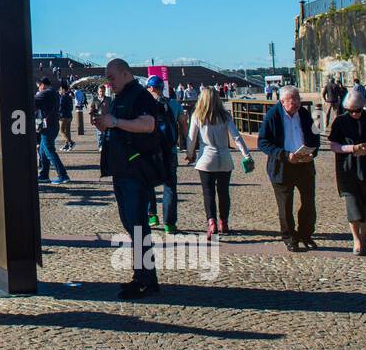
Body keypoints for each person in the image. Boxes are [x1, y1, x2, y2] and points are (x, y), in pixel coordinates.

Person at [93, 59, 166, 298]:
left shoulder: (140, 96)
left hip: (135, 170)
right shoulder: (120, 97)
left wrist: (114, 122)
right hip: (121, 170)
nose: (109, 82)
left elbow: (148, 124)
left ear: (125, 74)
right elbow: (117, 125)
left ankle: (146, 279)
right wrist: (105, 122)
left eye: (111, 77)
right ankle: (142, 275)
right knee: (131, 224)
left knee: (137, 225)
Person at [258, 84, 321, 252]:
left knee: (309, 202)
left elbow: (316, 137)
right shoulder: (272, 116)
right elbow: (262, 142)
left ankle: (305, 234)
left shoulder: (305, 114)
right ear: (282, 101)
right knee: (285, 205)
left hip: (304, 164)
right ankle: (289, 237)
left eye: (298, 99)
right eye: (292, 100)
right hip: (282, 166)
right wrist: (285, 155)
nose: (296, 103)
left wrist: (312, 153)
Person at [328, 89, 366, 256]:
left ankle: (364, 239)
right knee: (353, 205)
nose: (354, 113)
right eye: (351, 110)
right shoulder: (340, 121)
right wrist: (352, 148)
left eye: (358, 110)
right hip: (348, 168)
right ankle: (356, 241)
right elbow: (333, 145)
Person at [185, 87, 251, 237]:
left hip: (206, 158)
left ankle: (211, 221)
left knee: (208, 193)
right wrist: (246, 155)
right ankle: (224, 221)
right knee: (223, 192)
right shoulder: (225, 116)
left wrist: (190, 154)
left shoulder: (197, 116)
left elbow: (191, 138)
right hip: (224, 158)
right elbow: (236, 137)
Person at [143, 75, 181, 234]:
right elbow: (183, 123)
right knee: (170, 187)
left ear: (151, 88)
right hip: (170, 151)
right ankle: (169, 224)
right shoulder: (173, 104)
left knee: (147, 183)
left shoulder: (144, 105)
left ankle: (151, 215)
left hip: (150, 150)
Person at [34, 77, 70, 184]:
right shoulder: (53, 92)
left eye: (39, 87)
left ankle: (62, 175)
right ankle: (44, 175)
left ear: (42, 85)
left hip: (48, 127)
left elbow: (32, 101)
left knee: (49, 151)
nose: (39, 89)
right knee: (42, 150)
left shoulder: (46, 93)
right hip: (52, 125)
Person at [57, 80, 76, 151]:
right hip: (70, 116)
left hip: (64, 117)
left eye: (60, 89)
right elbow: (71, 108)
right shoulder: (69, 97)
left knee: (61, 131)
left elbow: (60, 108)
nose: (59, 91)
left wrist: (58, 114)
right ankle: (67, 145)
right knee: (67, 131)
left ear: (63, 90)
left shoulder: (62, 97)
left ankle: (71, 143)